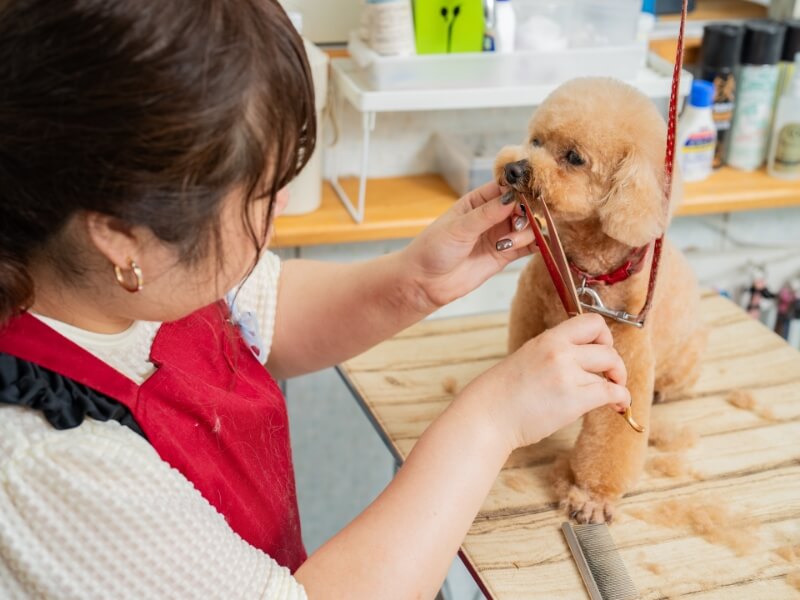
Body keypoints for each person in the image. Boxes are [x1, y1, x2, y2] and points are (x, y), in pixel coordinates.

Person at [0, 1, 631, 598]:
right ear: (122, 233)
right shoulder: (48, 469)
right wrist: (492, 419)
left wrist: (415, 279)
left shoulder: (110, 273)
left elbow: (264, 308)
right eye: (262, 193)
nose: (279, 209)